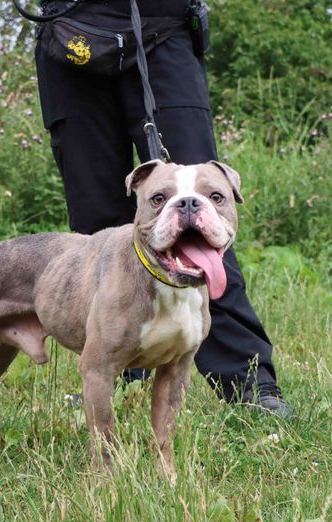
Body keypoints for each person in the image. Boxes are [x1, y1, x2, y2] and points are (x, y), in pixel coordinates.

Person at [32, 0, 293, 417]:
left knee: (203, 219)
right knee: (96, 220)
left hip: (163, 29)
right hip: (71, 36)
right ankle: (116, 372)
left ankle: (248, 382)